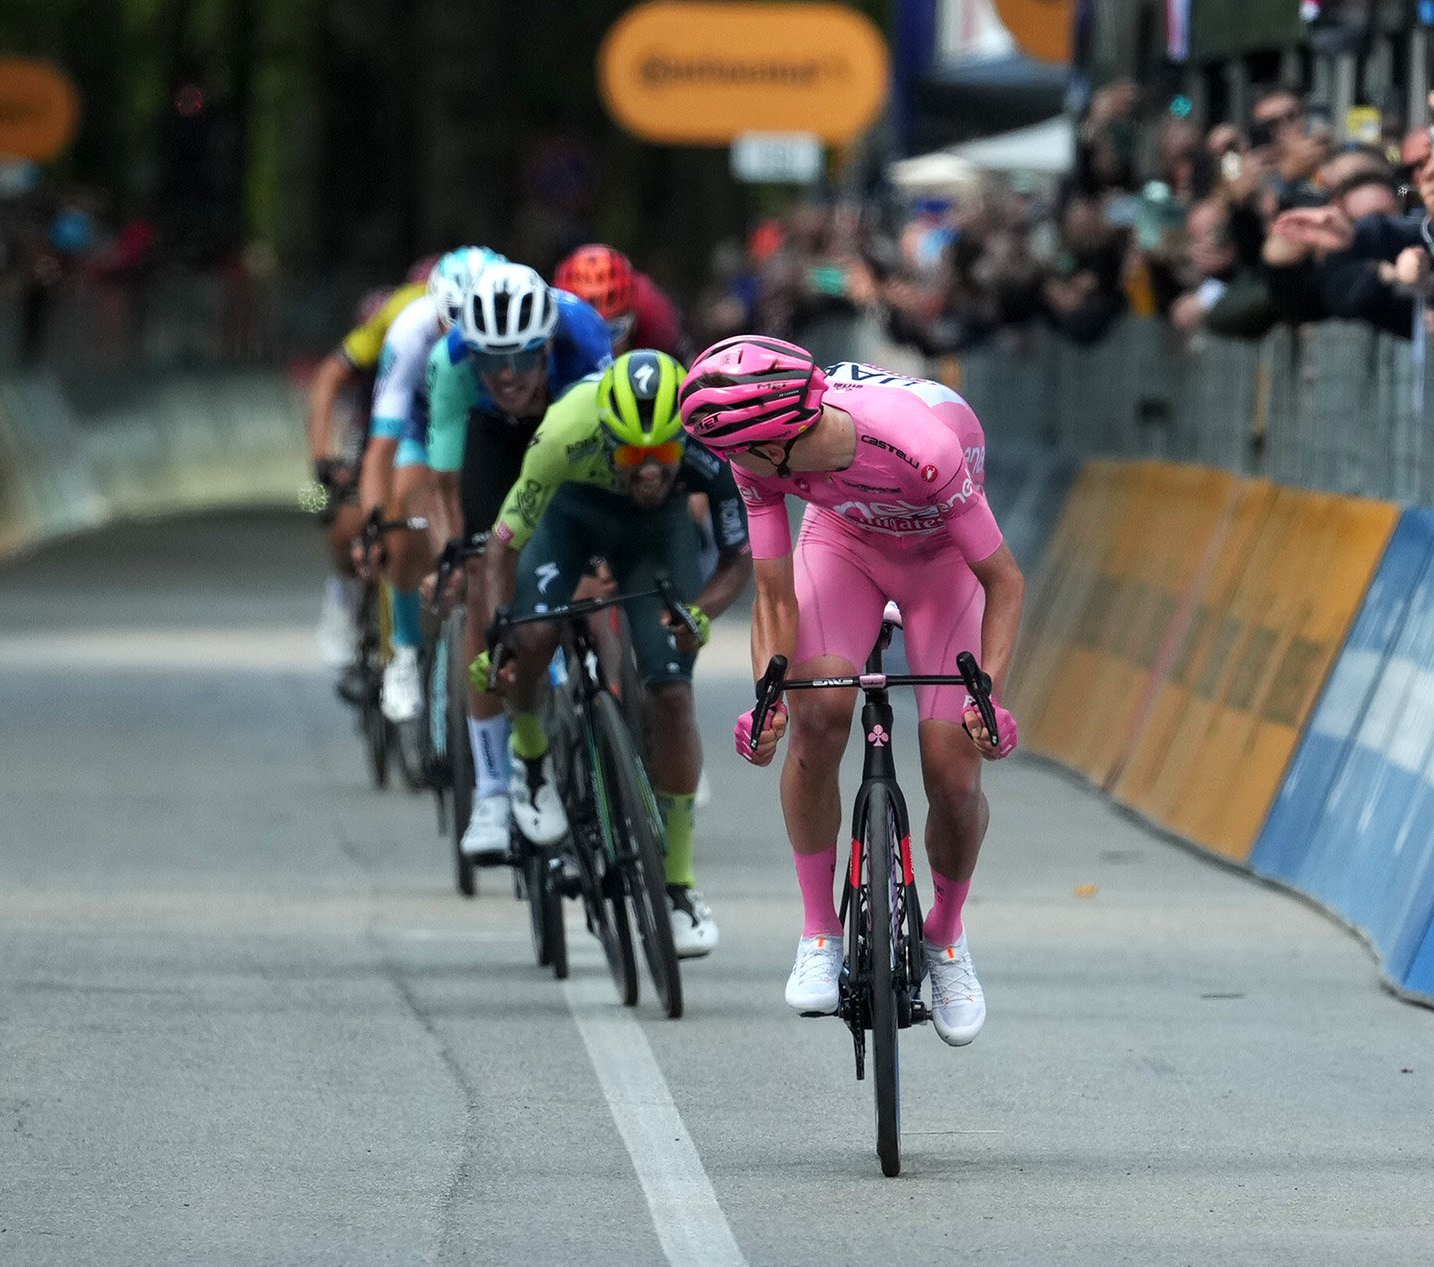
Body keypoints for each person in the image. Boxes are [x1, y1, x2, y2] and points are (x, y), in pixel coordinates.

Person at [683, 337, 1027, 1046]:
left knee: (952, 767)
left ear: (782, 443)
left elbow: (1004, 581)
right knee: (818, 714)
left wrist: (986, 695)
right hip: (843, 545)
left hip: (943, 563)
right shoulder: (755, 450)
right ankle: (819, 932)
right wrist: (767, 699)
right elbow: (774, 595)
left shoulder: (919, 443)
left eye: (741, 455)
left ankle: (947, 937)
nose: (732, 466)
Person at [481, 350, 751, 955]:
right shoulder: (564, 432)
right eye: (633, 456)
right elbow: (502, 546)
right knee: (534, 636)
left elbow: (740, 556)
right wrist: (500, 629)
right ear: (606, 439)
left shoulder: (711, 438)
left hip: (658, 539)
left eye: (663, 455)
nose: (650, 470)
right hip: (570, 520)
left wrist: (700, 612)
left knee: (673, 694)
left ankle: (679, 885)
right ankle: (529, 761)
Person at [425, 264, 615, 861]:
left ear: (547, 345)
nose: (506, 374)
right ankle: (493, 788)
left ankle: (611, 718)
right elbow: (442, 484)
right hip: (491, 438)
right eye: (491, 360)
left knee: (595, 563)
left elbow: (614, 445)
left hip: (569, 420)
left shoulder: (583, 334)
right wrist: (453, 555)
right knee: (484, 575)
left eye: (521, 357)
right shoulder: (451, 362)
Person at [363, 246, 503, 723]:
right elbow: (382, 445)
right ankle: (404, 650)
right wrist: (375, 524)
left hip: (488, 421)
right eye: (454, 324)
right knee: (407, 507)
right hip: (422, 428)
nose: (465, 341)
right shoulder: (410, 331)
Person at [305, 261, 435, 668]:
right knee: (344, 511)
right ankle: (341, 597)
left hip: (435, 421)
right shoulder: (392, 317)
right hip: (373, 423)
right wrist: (322, 458)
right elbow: (329, 377)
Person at [553, 244, 685, 357]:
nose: (599, 348)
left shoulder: (657, 321)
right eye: (582, 331)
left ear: (633, 321)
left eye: (612, 332)